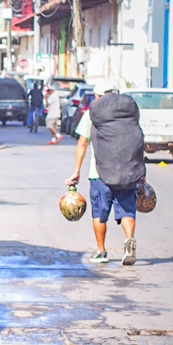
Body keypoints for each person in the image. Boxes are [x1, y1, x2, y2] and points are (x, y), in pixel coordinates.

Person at [65, 81, 144, 266]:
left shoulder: (92, 113)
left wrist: (76, 171)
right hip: (128, 171)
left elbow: (83, 143)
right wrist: (141, 170)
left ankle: (101, 251)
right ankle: (129, 239)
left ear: (98, 97)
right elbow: (138, 140)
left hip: (99, 173)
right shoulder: (128, 113)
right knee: (127, 210)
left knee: (100, 214)